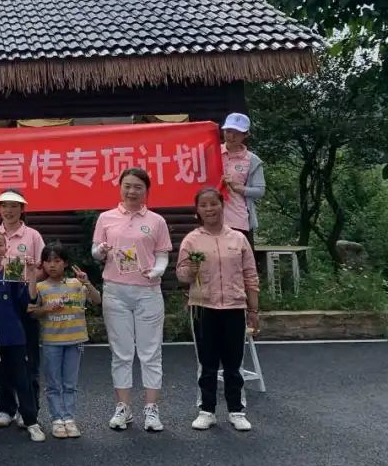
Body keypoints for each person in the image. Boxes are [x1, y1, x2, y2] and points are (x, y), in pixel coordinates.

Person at [92, 167, 173, 433]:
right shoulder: (106, 218)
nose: (132, 191)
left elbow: (162, 254)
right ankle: (123, 408)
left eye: (138, 186)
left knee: (150, 352)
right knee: (121, 352)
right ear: (120, 187)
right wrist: (101, 250)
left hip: (148, 291)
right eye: (127, 186)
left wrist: (158, 270)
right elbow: (96, 252)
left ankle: (151, 409)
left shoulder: (156, 221)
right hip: (115, 291)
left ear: (146, 190)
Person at [177, 187, 260, 432]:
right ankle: (207, 410)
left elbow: (250, 275)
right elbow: (181, 275)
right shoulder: (192, 240)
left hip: (234, 307)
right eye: (203, 205)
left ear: (222, 205)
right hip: (203, 307)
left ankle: (236, 410)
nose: (209, 209)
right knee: (207, 362)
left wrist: (254, 310)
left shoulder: (238, 238)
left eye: (213, 204)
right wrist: (191, 269)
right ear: (198, 210)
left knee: (234, 363)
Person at [0, 189, 45, 430]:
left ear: (22, 209)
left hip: (25, 303)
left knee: (28, 361)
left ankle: (29, 410)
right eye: (4, 205)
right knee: (0, 360)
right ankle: (6, 408)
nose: (9, 210)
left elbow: (42, 268)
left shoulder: (33, 235)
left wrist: (27, 282)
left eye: (14, 206)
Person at [31, 242, 100, 439]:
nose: (52, 265)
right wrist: (46, 309)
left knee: (70, 383)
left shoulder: (76, 284)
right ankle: (57, 419)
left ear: (65, 263)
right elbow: (32, 312)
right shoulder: (40, 287)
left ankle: (69, 418)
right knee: (53, 384)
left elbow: (97, 300)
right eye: (48, 261)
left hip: (75, 340)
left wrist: (87, 282)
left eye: (57, 261)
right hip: (51, 341)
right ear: (43, 264)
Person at [220, 112, 267, 250]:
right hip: (212, 216)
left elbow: (260, 191)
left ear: (246, 135)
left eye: (237, 133)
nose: (231, 136)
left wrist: (238, 188)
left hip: (237, 219)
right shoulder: (212, 151)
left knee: (235, 257)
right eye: (228, 131)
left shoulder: (252, 160)